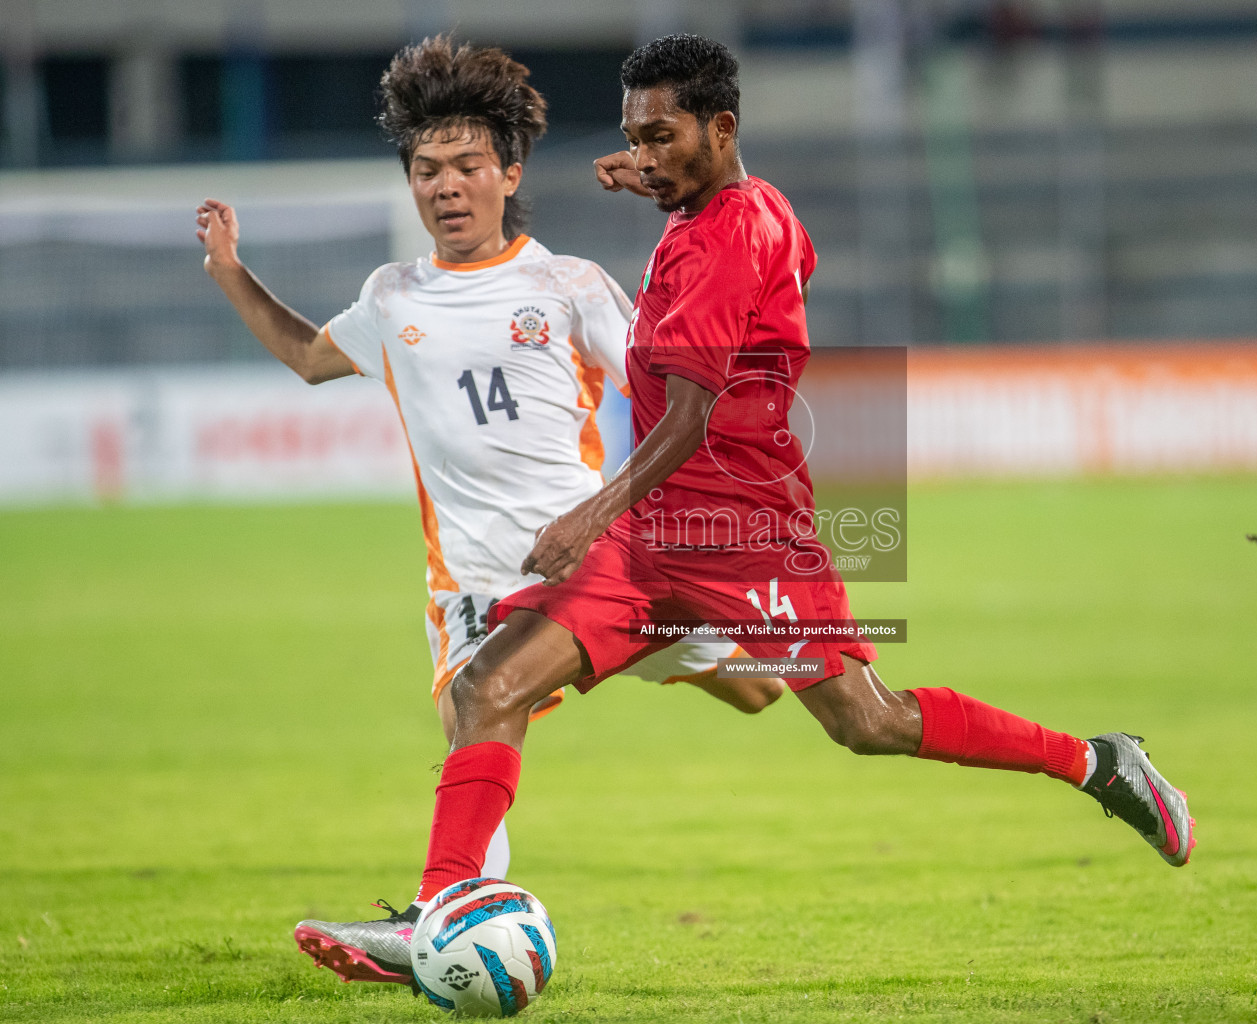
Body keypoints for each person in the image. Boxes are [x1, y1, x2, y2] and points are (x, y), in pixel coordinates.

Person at [298, 33, 1194, 987]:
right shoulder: (741, 210)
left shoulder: (727, 232)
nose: (641, 156)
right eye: (634, 137)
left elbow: (691, 413)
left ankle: (1100, 764)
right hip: (655, 548)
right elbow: (775, 256)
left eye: (661, 138)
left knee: (868, 722)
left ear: (720, 129)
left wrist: (587, 517)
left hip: (742, 538)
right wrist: (674, 183)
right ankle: (436, 913)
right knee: (487, 688)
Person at [197, 36, 784, 982]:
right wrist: (230, 270)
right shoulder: (392, 298)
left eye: (468, 165)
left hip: (600, 568)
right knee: (479, 714)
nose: (446, 186)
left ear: (510, 173)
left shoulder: (570, 286)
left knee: (764, 686)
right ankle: (435, 926)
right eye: (427, 170)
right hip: (474, 581)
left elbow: (674, 383)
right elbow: (310, 357)